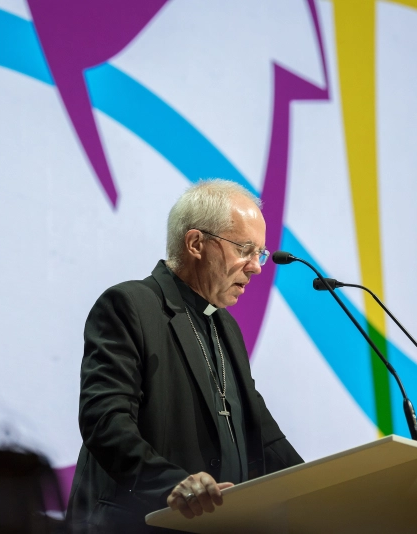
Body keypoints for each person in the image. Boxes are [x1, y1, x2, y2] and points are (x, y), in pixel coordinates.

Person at [66, 179, 303, 533]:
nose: (256, 267)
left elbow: (265, 436)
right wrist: (170, 484)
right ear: (196, 243)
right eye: (245, 249)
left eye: (261, 254)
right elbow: (105, 420)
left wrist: (329, 488)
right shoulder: (130, 305)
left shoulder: (226, 327)